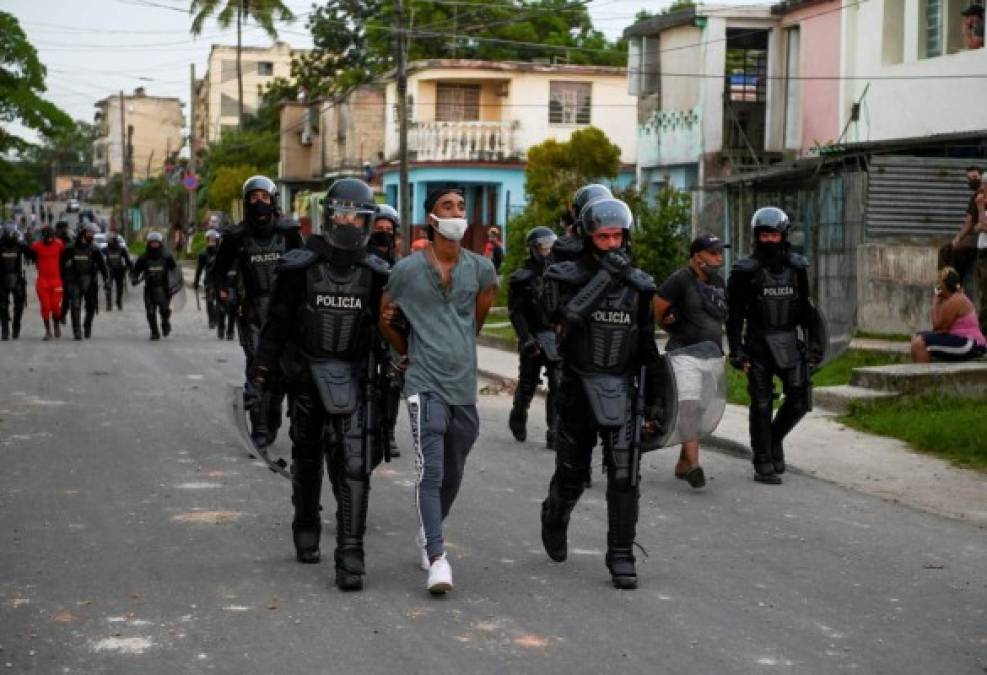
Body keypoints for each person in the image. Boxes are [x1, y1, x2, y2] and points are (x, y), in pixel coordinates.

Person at [251, 178, 390, 591]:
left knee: (354, 465)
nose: (348, 221)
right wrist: (260, 376)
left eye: (356, 216)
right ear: (329, 218)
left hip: (356, 378)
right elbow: (275, 327)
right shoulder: (299, 269)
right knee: (307, 455)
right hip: (306, 376)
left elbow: (392, 328)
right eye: (342, 214)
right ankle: (306, 522)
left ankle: (351, 553)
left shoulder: (378, 274)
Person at [537, 198, 663, 590]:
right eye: (603, 236)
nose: (612, 243)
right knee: (573, 476)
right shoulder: (563, 276)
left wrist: (657, 401)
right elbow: (565, 319)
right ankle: (554, 516)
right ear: (589, 238)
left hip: (623, 387)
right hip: (577, 385)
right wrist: (605, 278)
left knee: (625, 476)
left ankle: (621, 553)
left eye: (617, 236)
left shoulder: (640, 285)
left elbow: (647, 345)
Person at [378, 185, 498, 595]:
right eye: (447, 206)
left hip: (462, 381)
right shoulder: (407, 270)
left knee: (455, 465)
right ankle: (437, 557)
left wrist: (457, 347)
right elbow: (385, 316)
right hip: (423, 381)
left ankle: (429, 529)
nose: (457, 212)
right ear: (432, 218)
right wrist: (407, 351)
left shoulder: (481, 268)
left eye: (461, 206)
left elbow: (476, 318)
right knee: (430, 468)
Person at [726, 207, 824, 485]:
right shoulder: (744, 271)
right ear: (756, 236)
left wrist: (815, 344)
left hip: (790, 342)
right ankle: (762, 459)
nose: (769, 240)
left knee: (800, 399)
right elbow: (734, 316)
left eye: (774, 234)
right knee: (761, 403)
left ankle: (775, 438)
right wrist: (736, 351)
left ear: (783, 235)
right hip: (757, 344)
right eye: (764, 235)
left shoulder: (797, 269)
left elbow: (807, 309)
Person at [210, 175, 303, 447]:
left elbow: (307, 267)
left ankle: (277, 418)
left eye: (264, 197)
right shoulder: (236, 237)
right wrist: (226, 292)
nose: (259, 202)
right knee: (257, 368)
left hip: (286, 311)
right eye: (253, 197)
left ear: (272, 200)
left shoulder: (289, 231)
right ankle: (260, 427)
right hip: (252, 310)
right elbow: (218, 272)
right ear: (246, 201)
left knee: (286, 370)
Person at [652, 234, 729, 489]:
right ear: (697, 256)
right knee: (688, 406)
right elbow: (658, 309)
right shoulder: (680, 279)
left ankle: (683, 463)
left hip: (712, 355)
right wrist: (671, 324)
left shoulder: (718, 282)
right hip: (685, 354)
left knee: (703, 410)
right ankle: (695, 467)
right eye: (713, 252)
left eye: (720, 252)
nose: (719, 257)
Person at [507, 226, 560, 447]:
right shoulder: (521, 278)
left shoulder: (560, 274)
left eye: (551, 245)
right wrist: (526, 338)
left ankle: (555, 431)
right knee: (528, 383)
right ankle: (518, 416)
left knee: (558, 384)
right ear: (534, 249)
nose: (547, 250)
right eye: (543, 246)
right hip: (532, 335)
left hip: (554, 337)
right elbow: (516, 312)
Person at [368, 204, 403, 459]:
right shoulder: (359, 262)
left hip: (391, 331)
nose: (383, 233)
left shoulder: (402, 267)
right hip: (364, 329)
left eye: (387, 229)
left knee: (392, 384)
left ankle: (387, 433)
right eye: (378, 229)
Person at [911, 267, 986, 362]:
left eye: (939, 285)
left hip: (969, 343)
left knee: (919, 343)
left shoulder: (955, 300)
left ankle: (923, 376)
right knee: (916, 337)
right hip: (961, 340)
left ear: (944, 286)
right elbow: (940, 329)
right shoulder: (953, 299)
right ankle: (925, 373)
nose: (938, 288)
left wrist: (935, 302)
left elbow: (937, 327)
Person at [61, 223, 108, 340]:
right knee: (75, 306)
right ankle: (77, 331)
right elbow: (61, 264)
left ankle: (87, 326)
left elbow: (103, 266)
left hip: (90, 281)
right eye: (89, 233)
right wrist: (63, 278)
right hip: (74, 280)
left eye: (93, 234)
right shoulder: (70, 248)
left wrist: (107, 279)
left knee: (91, 306)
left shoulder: (95, 249)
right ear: (82, 233)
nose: (91, 235)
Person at [938, 166, 983, 281]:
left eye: (975, 177)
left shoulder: (984, 196)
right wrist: (958, 237)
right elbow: (968, 221)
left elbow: (978, 224)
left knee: (957, 249)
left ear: (981, 177)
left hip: (981, 235)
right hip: (973, 234)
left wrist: (960, 239)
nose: (972, 180)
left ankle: (956, 283)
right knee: (945, 249)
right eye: (969, 178)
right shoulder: (974, 197)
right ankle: (943, 282)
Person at [131, 231, 177, 340]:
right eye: (152, 243)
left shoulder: (167, 256)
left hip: (164, 288)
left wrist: (175, 283)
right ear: (148, 243)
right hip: (149, 289)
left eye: (157, 243)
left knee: (164, 310)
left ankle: (165, 323)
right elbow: (135, 271)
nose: (155, 245)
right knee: (150, 312)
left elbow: (175, 271)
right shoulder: (143, 258)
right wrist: (134, 278)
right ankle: (154, 332)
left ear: (160, 243)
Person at [552, 184, 613, 264]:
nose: (601, 216)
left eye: (605, 210)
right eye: (593, 212)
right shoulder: (563, 246)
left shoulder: (615, 240)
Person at [30, 223, 64, 340]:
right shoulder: (36, 246)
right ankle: (48, 331)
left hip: (56, 281)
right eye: (47, 237)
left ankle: (56, 325)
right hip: (43, 281)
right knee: (45, 306)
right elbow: (29, 253)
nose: (50, 239)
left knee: (56, 307)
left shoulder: (59, 244)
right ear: (43, 236)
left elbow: (66, 254)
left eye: (52, 236)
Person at [0, 223, 34, 340]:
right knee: (2, 306)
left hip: (17, 277)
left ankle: (16, 327)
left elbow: (32, 254)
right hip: (2, 278)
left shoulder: (20, 245)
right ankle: (5, 330)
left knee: (19, 305)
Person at [193, 229, 221, 330]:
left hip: (221, 280)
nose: (211, 242)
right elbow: (199, 269)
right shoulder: (203, 254)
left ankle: (218, 318)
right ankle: (212, 320)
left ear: (217, 240)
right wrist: (196, 281)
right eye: (210, 240)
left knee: (220, 301)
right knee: (210, 300)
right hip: (209, 280)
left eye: (214, 240)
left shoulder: (222, 253)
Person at [103, 234, 132, 312]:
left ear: (115, 241)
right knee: (108, 286)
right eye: (109, 240)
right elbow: (100, 259)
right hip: (109, 270)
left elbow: (128, 260)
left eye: (111, 240)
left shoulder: (122, 249)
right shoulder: (105, 249)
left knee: (120, 287)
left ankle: (119, 302)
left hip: (120, 270)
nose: (110, 242)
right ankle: (109, 305)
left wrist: (129, 268)